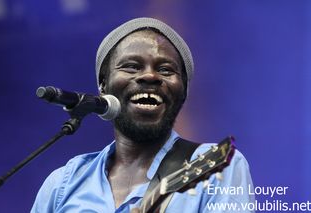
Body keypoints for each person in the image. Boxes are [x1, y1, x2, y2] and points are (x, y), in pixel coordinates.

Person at [31, 17, 255, 213]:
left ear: (183, 91)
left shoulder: (218, 165)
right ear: (103, 85)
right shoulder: (63, 183)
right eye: (131, 67)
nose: (150, 76)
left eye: (166, 69)